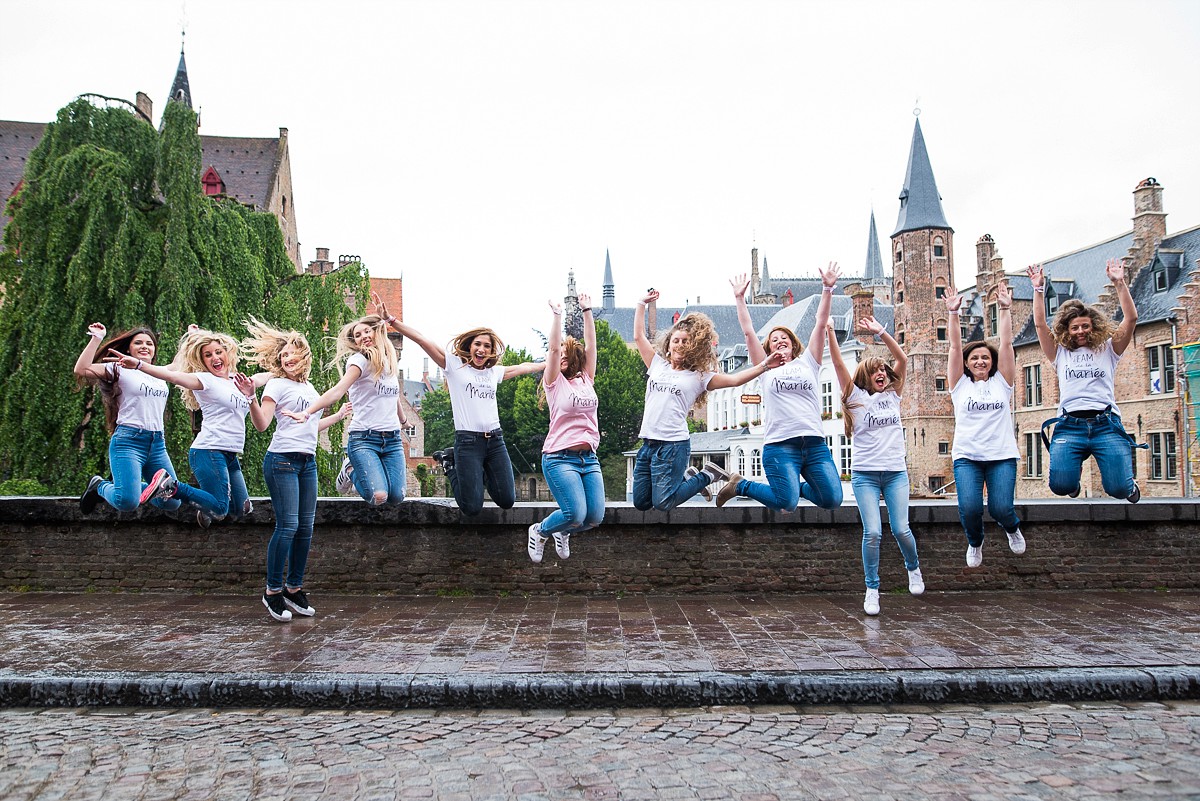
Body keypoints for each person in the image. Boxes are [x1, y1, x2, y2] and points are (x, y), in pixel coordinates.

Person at [632, 289, 784, 511]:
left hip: (673, 445)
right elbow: (638, 337)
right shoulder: (657, 365)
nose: (679, 345)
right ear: (668, 344)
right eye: (676, 340)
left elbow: (734, 380)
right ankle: (689, 477)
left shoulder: (699, 376)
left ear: (692, 346)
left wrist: (764, 366)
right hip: (648, 442)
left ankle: (708, 475)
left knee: (663, 503)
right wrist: (641, 303)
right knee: (641, 502)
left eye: (685, 341)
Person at [243, 319, 350, 623]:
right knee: (287, 526)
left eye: (293, 354)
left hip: (307, 461)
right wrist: (252, 397)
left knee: (306, 528)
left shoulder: (309, 387)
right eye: (283, 356)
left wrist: (338, 415)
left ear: (305, 357)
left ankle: (294, 588)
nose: (288, 359)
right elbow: (263, 424)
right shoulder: (276, 384)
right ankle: (272, 591)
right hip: (282, 461)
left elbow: (310, 425)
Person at [384, 314, 545, 516]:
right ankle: (450, 464)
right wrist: (392, 322)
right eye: (478, 344)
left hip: (495, 441)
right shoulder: (454, 366)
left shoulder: (493, 373)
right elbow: (422, 340)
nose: (481, 349)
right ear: (470, 346)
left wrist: (548, 364)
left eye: (487, 346)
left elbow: (524, 367)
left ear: (490, 351)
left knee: (506, 500)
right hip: (469, 442)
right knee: (471, 507)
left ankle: (478, 472)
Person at [715, 263, 844, 512]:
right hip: (780, 445)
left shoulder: (810, 362)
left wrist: (828, 289)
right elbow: (748, 333)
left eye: (784, 337)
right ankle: (740, 485)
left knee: (831, 499)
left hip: (814, 444)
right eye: (774, 340)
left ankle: (794, 487)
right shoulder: (765, 369)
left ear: (793, 344)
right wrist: (740, 298)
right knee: (786, 503)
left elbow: (819, 323)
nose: (780, 340)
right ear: (769, 349)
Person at [827, 318, 922, 616]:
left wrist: (880, 331)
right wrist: (829, 331)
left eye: (883, 370)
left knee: (902, 529)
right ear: (865, 378)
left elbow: (903, 359)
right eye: (875, 371)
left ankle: (913, 568)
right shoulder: (854, 398)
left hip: (895, 473)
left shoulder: (893, 395)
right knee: (873, 533)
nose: (881, 373)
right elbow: (838, 362)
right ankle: (872, 589)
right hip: (865, 475)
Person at [1028, 260, 1141, 502]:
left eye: (1085, 326)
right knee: (1060, 485)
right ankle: (1073, 483)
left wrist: (1120, 283)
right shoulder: (1060, 354)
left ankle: (1129, 486)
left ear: (1094, 327)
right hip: (1070, 424)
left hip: (1105, 424)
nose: (1081, 331)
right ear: (1066, 331)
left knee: (1118, 490)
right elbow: (1039, 325)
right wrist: (1038, 289)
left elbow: (1130, 319)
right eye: (1075, 327)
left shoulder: (1108, 350)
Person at [286, 292, 409, 508]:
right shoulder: (358, 361)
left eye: (366, 331)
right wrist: (308, 412)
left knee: (397, 497)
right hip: (364, 438)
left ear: (376, 332)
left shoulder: (389, 361)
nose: (362, 336)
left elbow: (393, 395)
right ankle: (350, 470)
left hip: (392, 440)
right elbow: (337, 390)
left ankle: (367, 470)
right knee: (379, 497)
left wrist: (404, 420)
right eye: (357, 335)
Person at [75, 323, 208, 516]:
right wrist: (96, 338)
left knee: (172, 502)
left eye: (149, 343)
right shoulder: (118, 369)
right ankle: (100, 486)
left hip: (156, 443)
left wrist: (191, 337)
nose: (144, 346)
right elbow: (82, 369)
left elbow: (181, 361)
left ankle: (138, 485)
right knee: (127, 501)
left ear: (154, 350)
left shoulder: (159, 373)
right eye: (138, 343)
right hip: (128, 441)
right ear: (129, 348)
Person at [945, 279, 1024, 568]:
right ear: (967, 363)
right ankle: (975, 542)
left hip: (1001, 455)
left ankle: (1012, 528)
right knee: (969, 508)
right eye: (975, 358)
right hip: (968, 456)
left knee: (1002, 507)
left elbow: (1006, 343)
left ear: (992, 362)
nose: (980, 361)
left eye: (985, 358)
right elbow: (954, 347)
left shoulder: (1003, 383)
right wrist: (953, 314)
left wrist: (1004, 309)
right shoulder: (959, 385)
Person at [527, 294, 603, 563]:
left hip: (589, 459)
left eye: (565, 356)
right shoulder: (554, 383)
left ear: (575, 360)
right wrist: (557, 316)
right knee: (574, 514)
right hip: (559, 457)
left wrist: (587, 310)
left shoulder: (586, 379)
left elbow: (592, 345)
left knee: (594, 518)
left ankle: (562, 531)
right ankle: (541, 530)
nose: (559, 358)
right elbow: (552, 351)